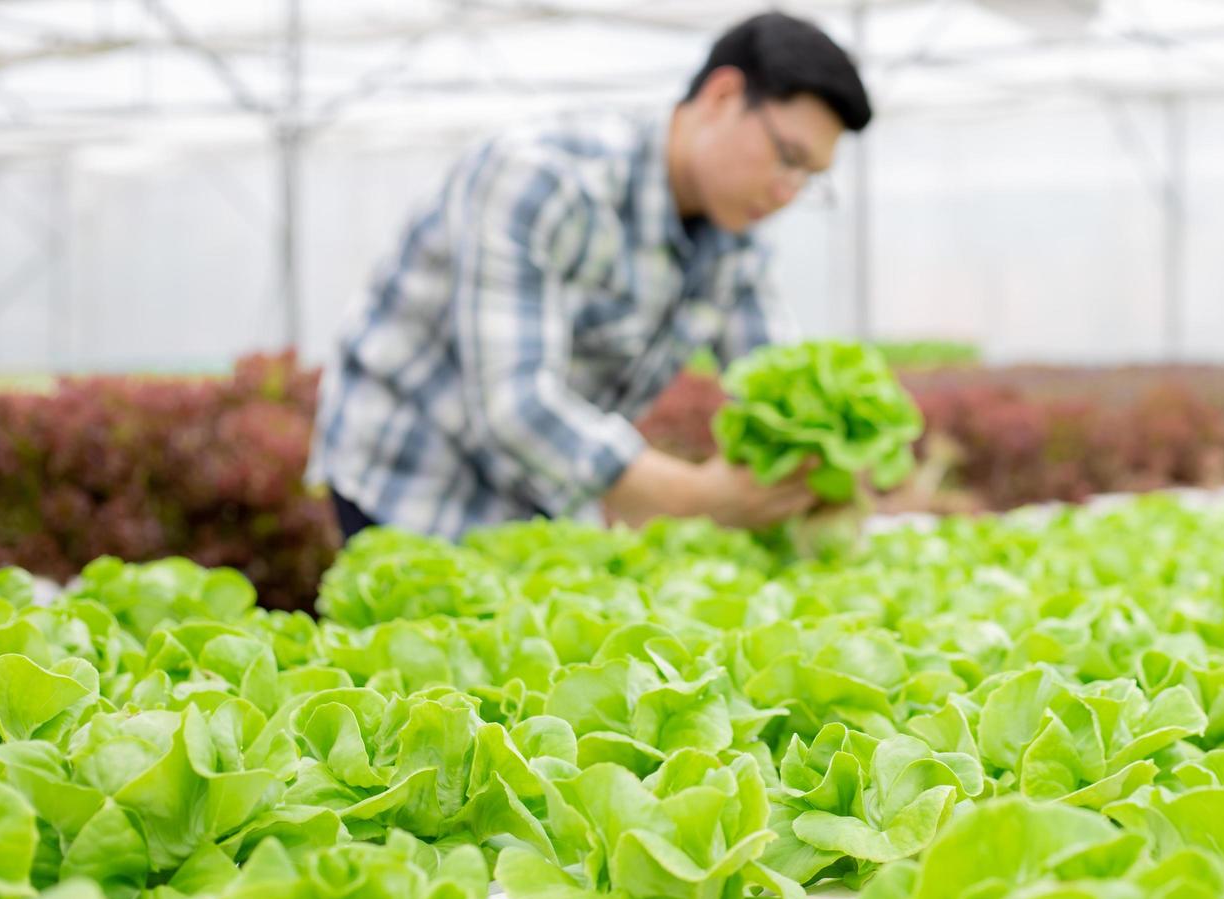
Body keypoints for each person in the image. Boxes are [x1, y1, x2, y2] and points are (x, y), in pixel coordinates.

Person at [307, 12, 870, 542]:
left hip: (539, 487)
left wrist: (820, 466)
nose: (787, 192)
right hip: (414, 471)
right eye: (787, 158)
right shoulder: (545, 176)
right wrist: (697, 497)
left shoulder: (735, 235)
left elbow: (769, 374)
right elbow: (518, 405)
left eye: (809, 178)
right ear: (722, 97)